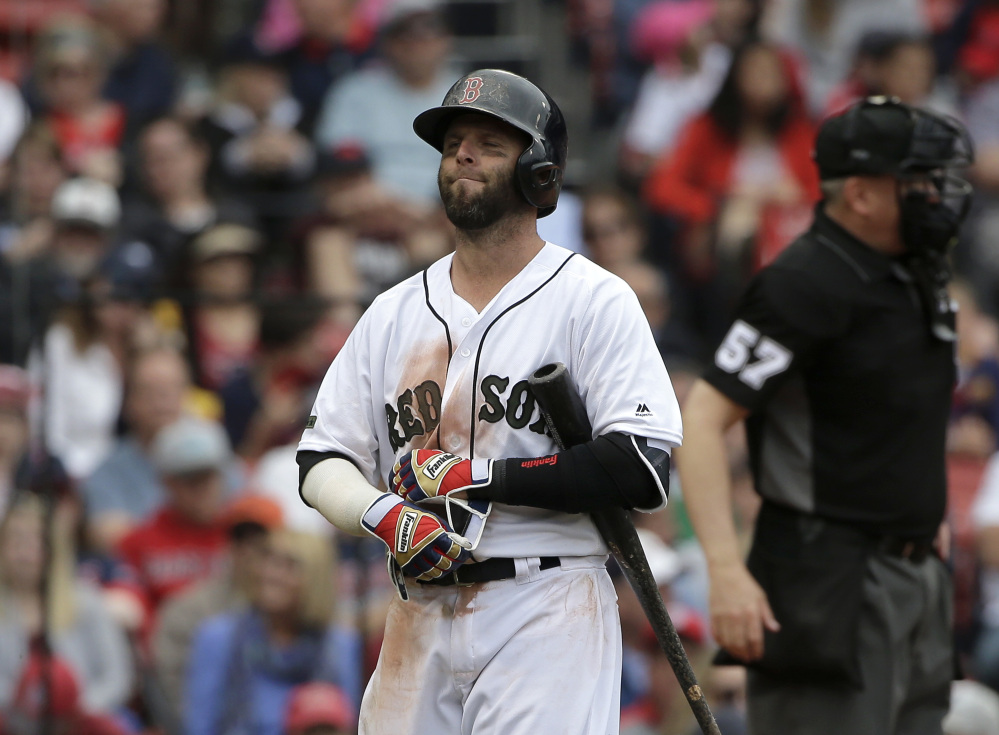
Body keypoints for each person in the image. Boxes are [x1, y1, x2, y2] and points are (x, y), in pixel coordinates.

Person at [296, 68, 682, 734]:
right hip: (417, 607)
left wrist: (481, 479)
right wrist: (385, 515)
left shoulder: (592, 299)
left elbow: (640, 469)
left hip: (547, 603)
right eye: (453, 145)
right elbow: (320, 458)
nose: (463, 155)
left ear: (539, 172)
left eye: (489, 144)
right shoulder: (392, 312)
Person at [675, 96, 974, 734]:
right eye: (918, 180)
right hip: (829, 582)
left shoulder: (914, 271)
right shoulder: (803, 282)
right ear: (861, 194)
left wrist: (923, 511)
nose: (936, 194)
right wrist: (725, 569)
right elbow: (701, 419)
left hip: (917, 572)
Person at [185, 529, 361, 735]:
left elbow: (349, 726)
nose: (271, 574)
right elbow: (199, 727)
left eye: (289, 566)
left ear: (316, 578)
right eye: (267, 561)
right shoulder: (219, 638)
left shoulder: (340, 645)